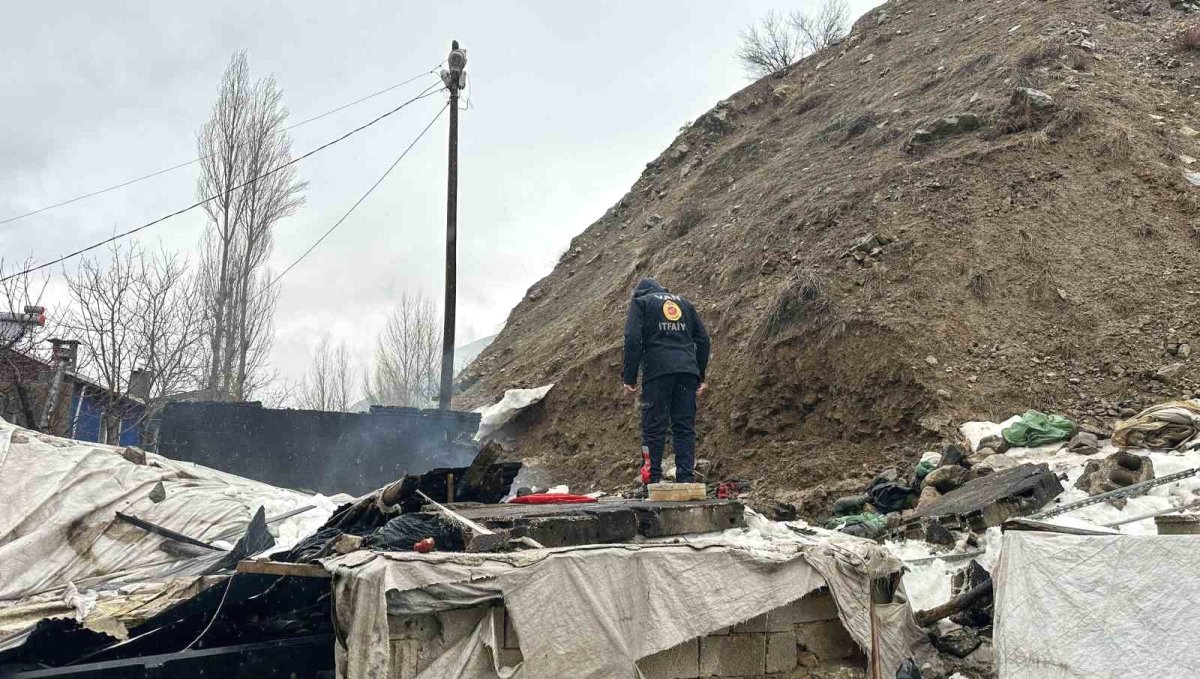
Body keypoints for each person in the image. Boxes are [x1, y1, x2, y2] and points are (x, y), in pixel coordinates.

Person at [622, 277, 710, 485]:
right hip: (687, 371)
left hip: (658, 371)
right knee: (684, 428)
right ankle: (686, 480)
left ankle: (651, 481)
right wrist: (700, 375)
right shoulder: (685, 303)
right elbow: (703, 340)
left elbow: (632, 338)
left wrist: (630, 377)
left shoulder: (641, 302)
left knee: (653, 427)